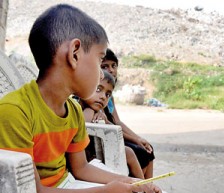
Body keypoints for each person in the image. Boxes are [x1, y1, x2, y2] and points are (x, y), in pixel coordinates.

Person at [0, 4, 161, 193]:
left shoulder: (74, 110)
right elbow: (34, 190)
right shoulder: (15, 112)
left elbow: (81, 168)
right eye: (99, 60)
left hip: (68, 184)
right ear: (74, 53)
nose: (102, 75)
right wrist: (107, 191)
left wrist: (130, 182)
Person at [100, 48, 155, 179]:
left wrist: (139, 138)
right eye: (105, 66)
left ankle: (150, 184)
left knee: (148, 149)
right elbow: (110, 126)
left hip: (116, 133)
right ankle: (143, 186)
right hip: (109, 138)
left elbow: (117, 121)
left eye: (114, 66)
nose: (111, 70)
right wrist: (135, 140)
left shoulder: (109, 96)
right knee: (140, 153)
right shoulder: (96, 95)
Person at [79, 70, 145, 179]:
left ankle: (144, 184)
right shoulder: (80, 108)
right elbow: (82, 126)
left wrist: (103, 118)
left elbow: (113, 130)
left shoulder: (98, 111)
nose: (103, 97)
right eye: (98, 89)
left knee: (129, 152)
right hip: (85, 161)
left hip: (100, 153)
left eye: (107, 94)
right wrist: (93, 110)